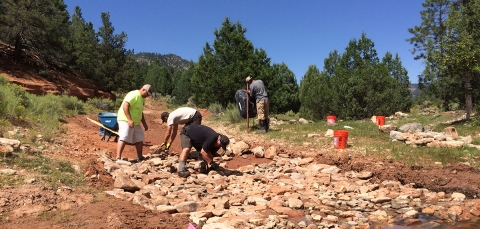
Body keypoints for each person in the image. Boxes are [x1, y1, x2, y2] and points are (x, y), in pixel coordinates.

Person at [115, 84, 152, 162]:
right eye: (147, 94)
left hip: (136, 122)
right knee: (124, 136)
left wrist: (144, 123)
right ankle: (118, 158)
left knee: (139, 138)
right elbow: (125, 106)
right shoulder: (134, 94)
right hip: (125, 119)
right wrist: (129, 119)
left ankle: (140, 157)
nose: (147, 96)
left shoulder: (143, 99)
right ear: (143, 90)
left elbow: (140, 112)